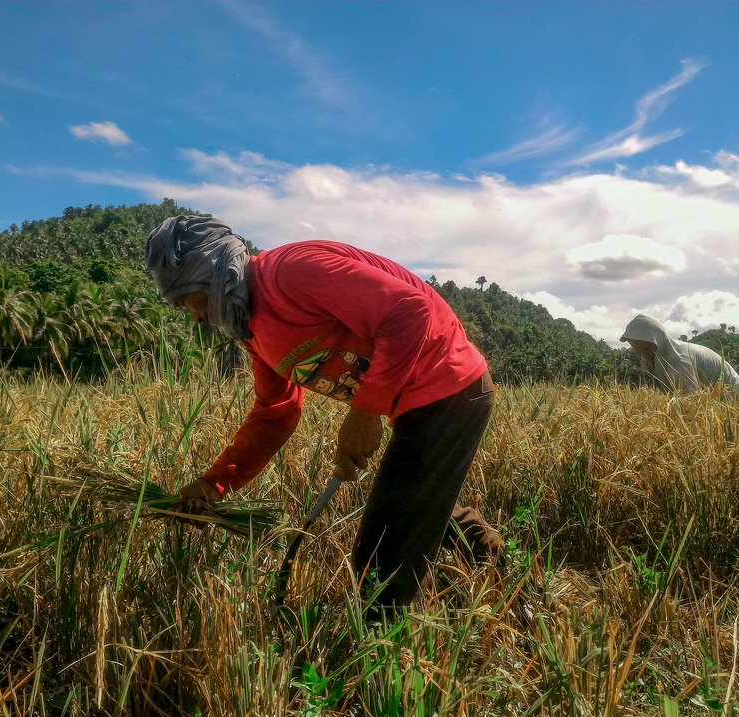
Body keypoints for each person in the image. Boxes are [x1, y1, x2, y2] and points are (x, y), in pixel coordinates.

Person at [145, 214, 505, 610]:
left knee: (380, 557)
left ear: (209, 272)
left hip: (449, 385)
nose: (195, 316)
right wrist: (215, 483)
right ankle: (505, 572)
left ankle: (383, 654)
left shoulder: (291, 273)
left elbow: (409, 311)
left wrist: (366, 411)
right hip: (418, 404)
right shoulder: (253, 330)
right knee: (419, 502)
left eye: (186, 299)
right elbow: (275, 411)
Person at [621, 313, 739, 402]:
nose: (644, 355)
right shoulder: (651, 358)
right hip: (716, 404)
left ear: (659, 340)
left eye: (647, 348)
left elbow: (692, 401)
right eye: (638, 351)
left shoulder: (679, 360)